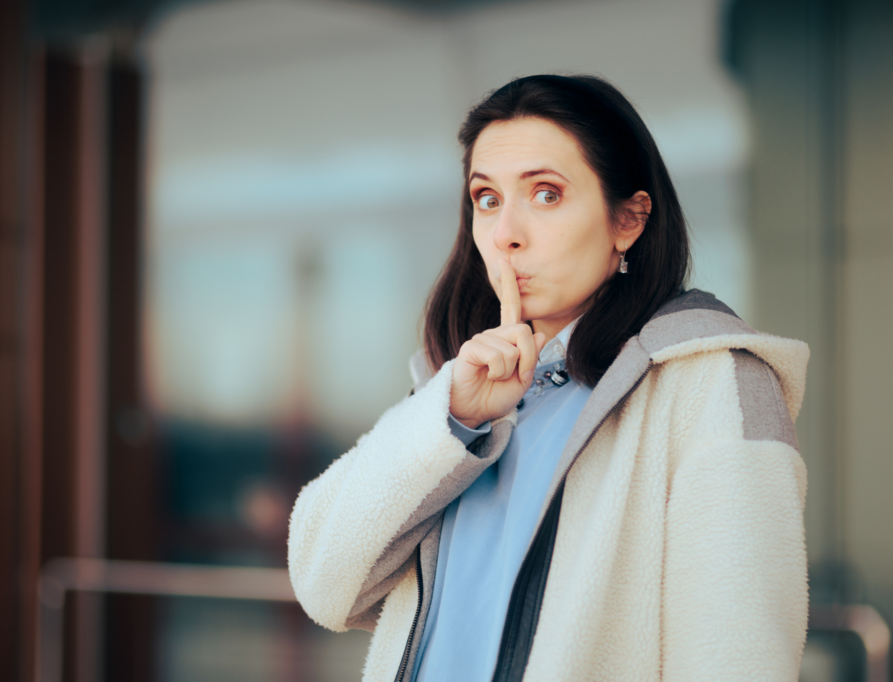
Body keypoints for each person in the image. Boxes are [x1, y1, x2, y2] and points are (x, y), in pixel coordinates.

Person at [288, 74, 809, 682]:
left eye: (546, 194)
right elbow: (325, 586)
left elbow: (738, 656)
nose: (507, 232)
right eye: (487, 199)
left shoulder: (710, 380)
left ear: (629, 221)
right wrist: (452, 417)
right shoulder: (460, 390)